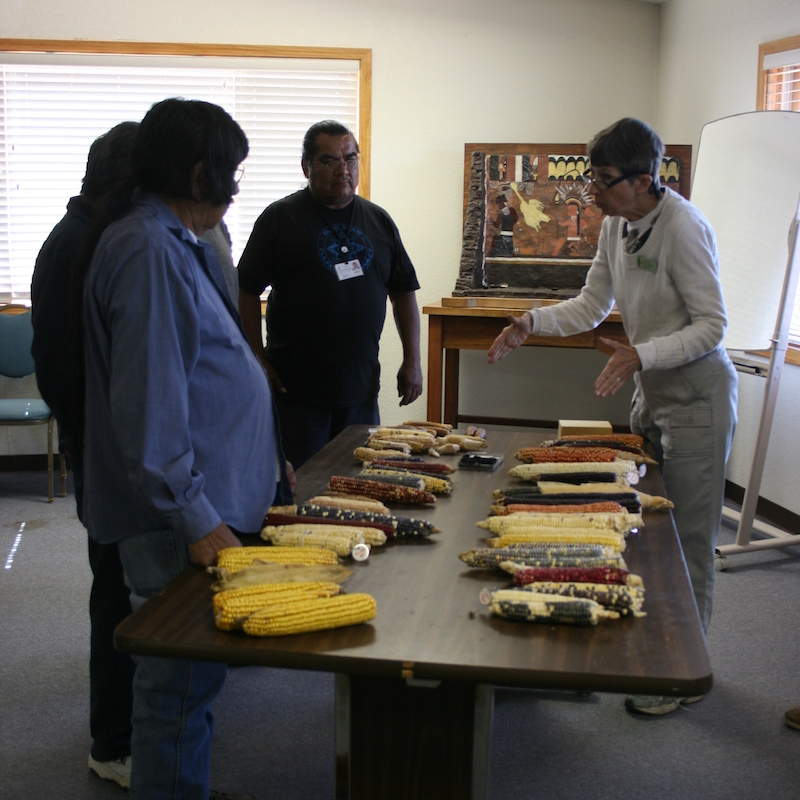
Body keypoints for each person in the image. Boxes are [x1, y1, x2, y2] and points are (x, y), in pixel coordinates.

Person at [76, 97, 291, 799]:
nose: (235, 186)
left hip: (202, 504)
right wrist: (198, 521)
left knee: (189, 688)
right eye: (230, 170)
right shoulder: (145, 250)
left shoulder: (172, 239)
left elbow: (206, 371)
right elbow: (151, 406)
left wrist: (265, 456)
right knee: (176, 689)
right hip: (179, 523)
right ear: (201, 172)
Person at [487, 117, 738, 716]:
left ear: (644, 179)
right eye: (591, 178)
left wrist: (640, 355)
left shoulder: (685, 228)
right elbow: (593, 304)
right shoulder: (618, 225)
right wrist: (531, 322)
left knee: (690, 541)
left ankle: (682, 673)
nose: (590, 193)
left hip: (699, 397)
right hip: (652, 393)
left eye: (601, 181)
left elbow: (714, 325)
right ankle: (640, 648)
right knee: (641, 528)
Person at [31, 121, 139, 789]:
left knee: (122, 589)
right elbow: (59, 364)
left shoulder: (91, 234)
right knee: (117, 596)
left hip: (103, 445)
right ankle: (113, 740)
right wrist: (83, 436)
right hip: (101, 449)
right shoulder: (80, 244)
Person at [237, 119, 423, 469]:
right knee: (301, 491)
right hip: (296, 396)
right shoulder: (279, 219)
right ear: (306, 166)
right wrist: (256, 359)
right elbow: (246, 290)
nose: (343, 170)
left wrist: (412, 359)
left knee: (359, 487)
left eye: (350, 159)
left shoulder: (378, 221)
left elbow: (403, 291)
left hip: (360, 392)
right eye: (329, 161)